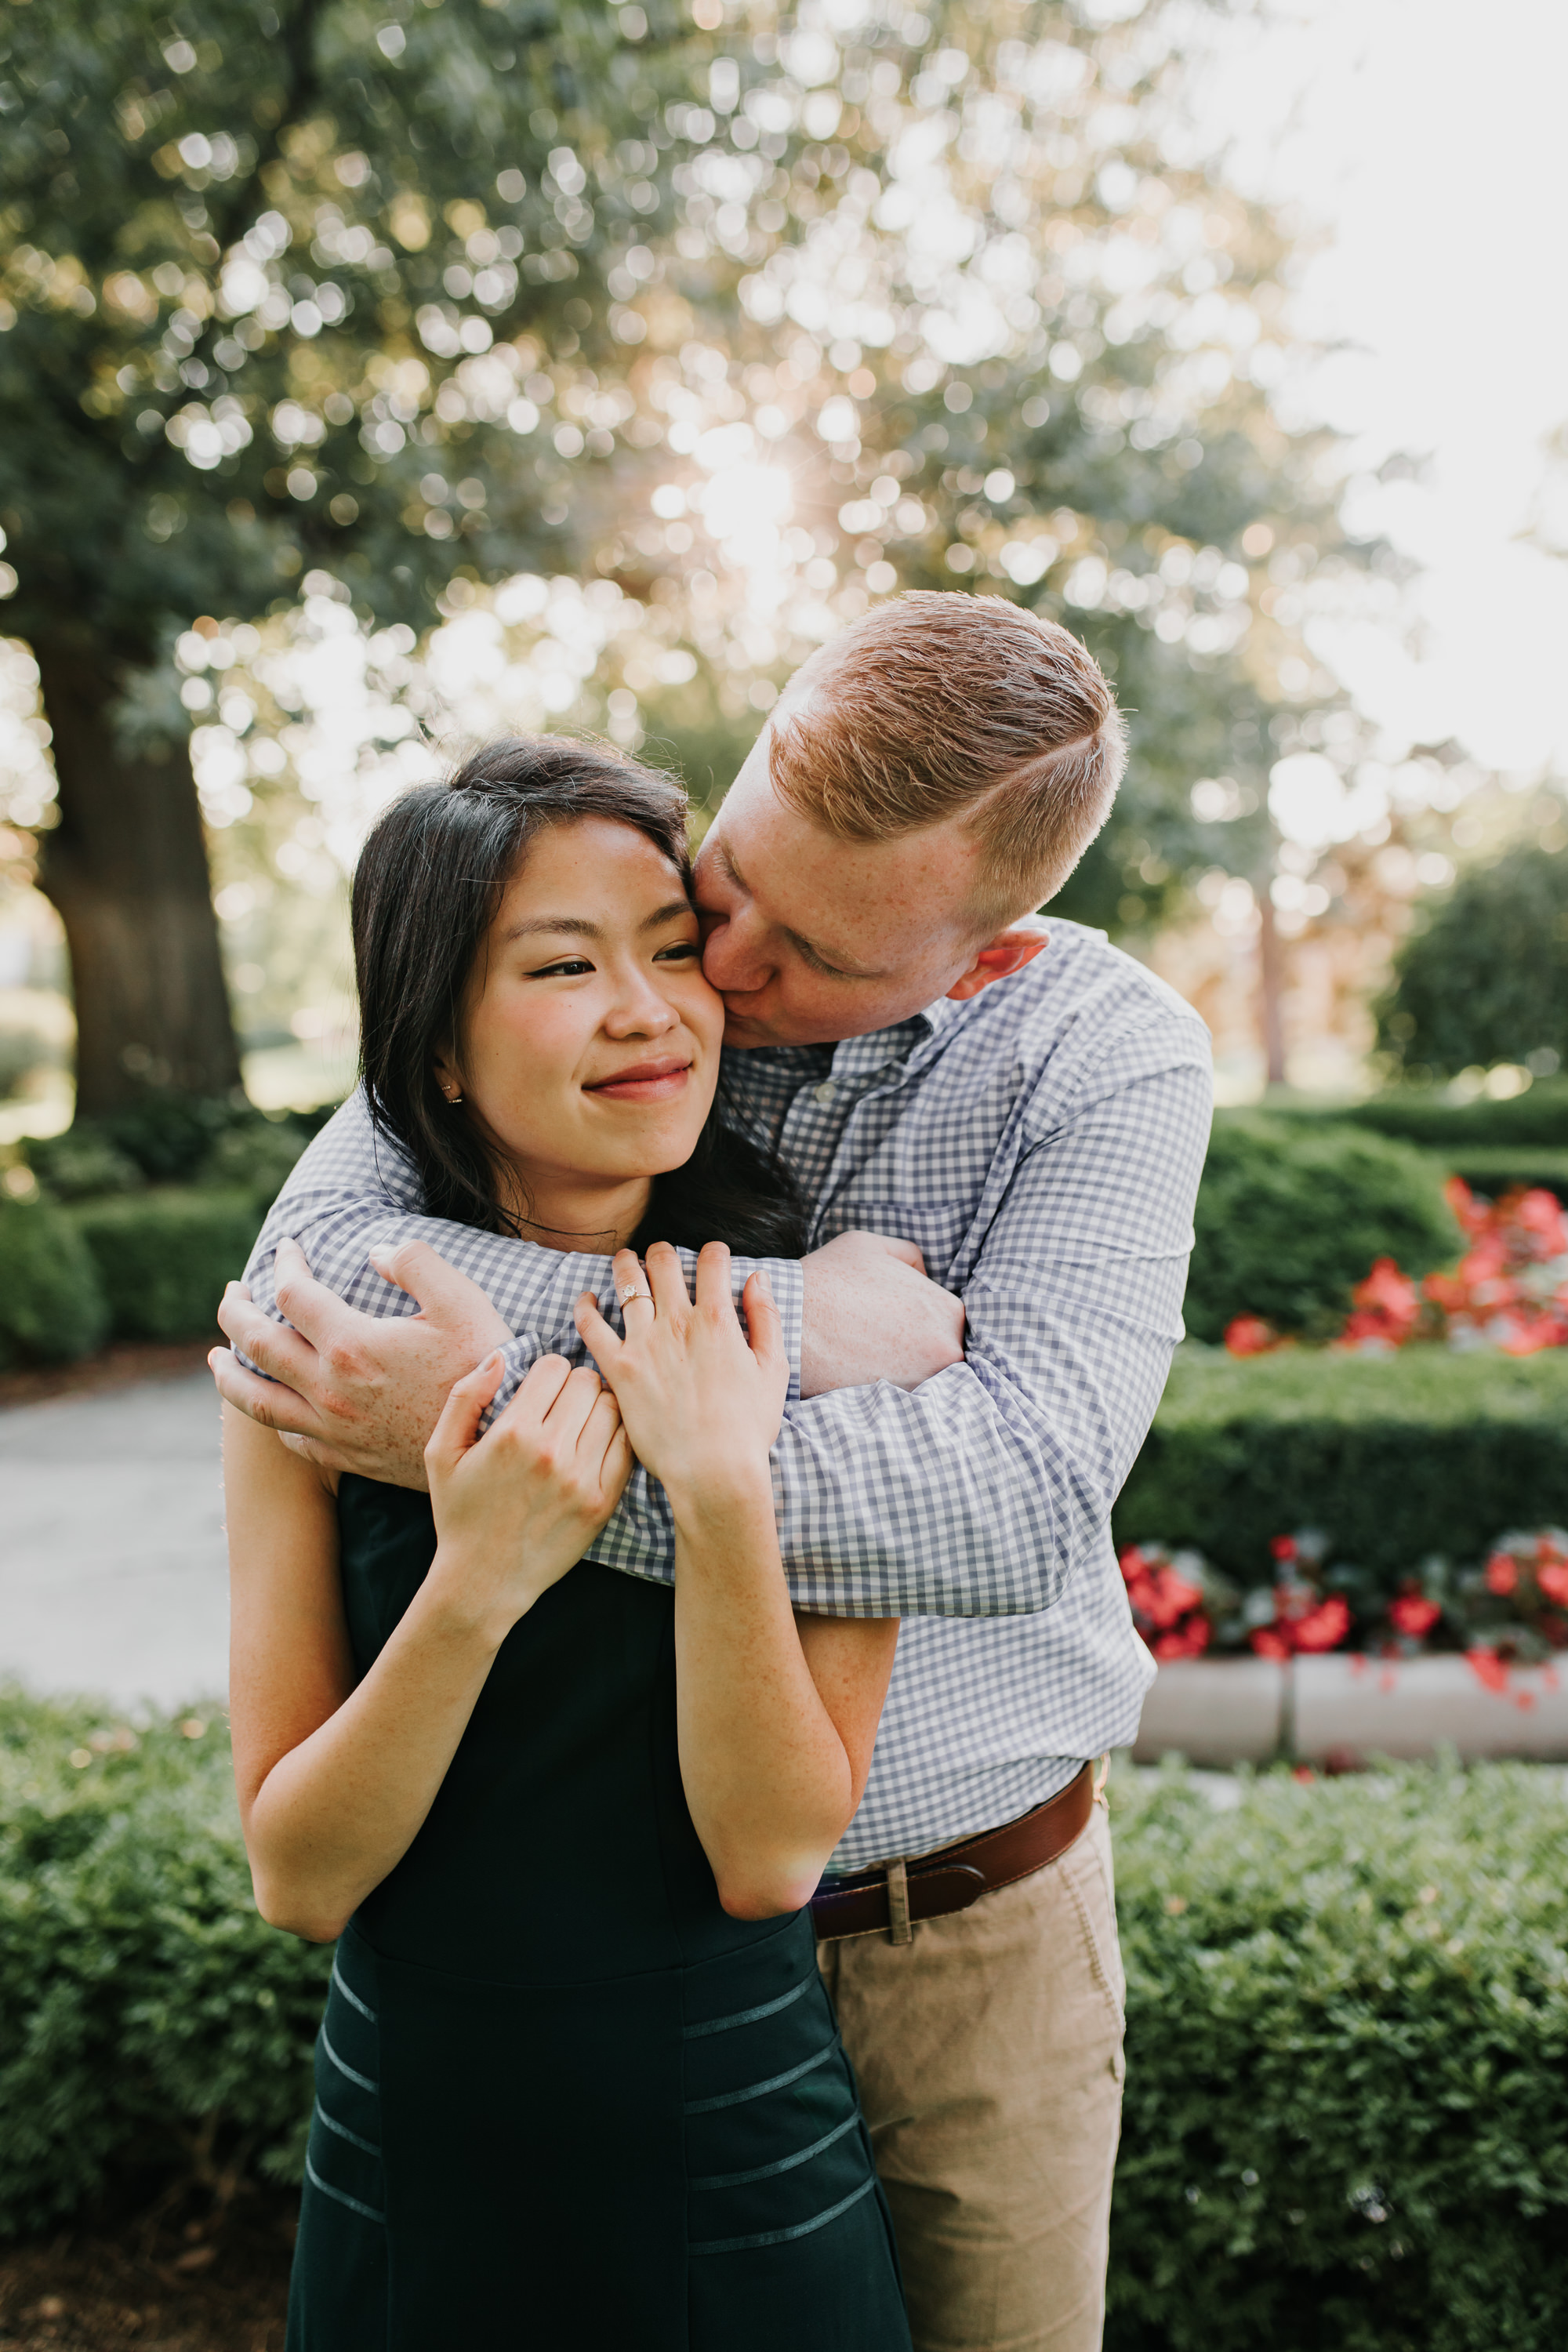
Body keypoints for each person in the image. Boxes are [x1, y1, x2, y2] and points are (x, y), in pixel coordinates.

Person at [216, 590, 1214, 2352]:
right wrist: (786, 1320)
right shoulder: (599, 930)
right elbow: (300, 1293)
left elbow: (992, 1507)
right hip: (587, 1949)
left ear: (984, 957)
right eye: (727, 886)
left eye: (806, 957)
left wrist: (524, 1452)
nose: (721, 979)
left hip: (947, 1929)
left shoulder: (1101, 1060)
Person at [223, 743, 913, 2350]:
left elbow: (768, 1857)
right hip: (413, 2156)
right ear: (439, 1052)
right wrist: (477, 1577)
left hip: (733, 2154)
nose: (650, 1009)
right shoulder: (318, 1365)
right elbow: (301, 1876)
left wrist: (723, 1487)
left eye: (672, 950)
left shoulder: (809, 1329)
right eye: (563, 965)